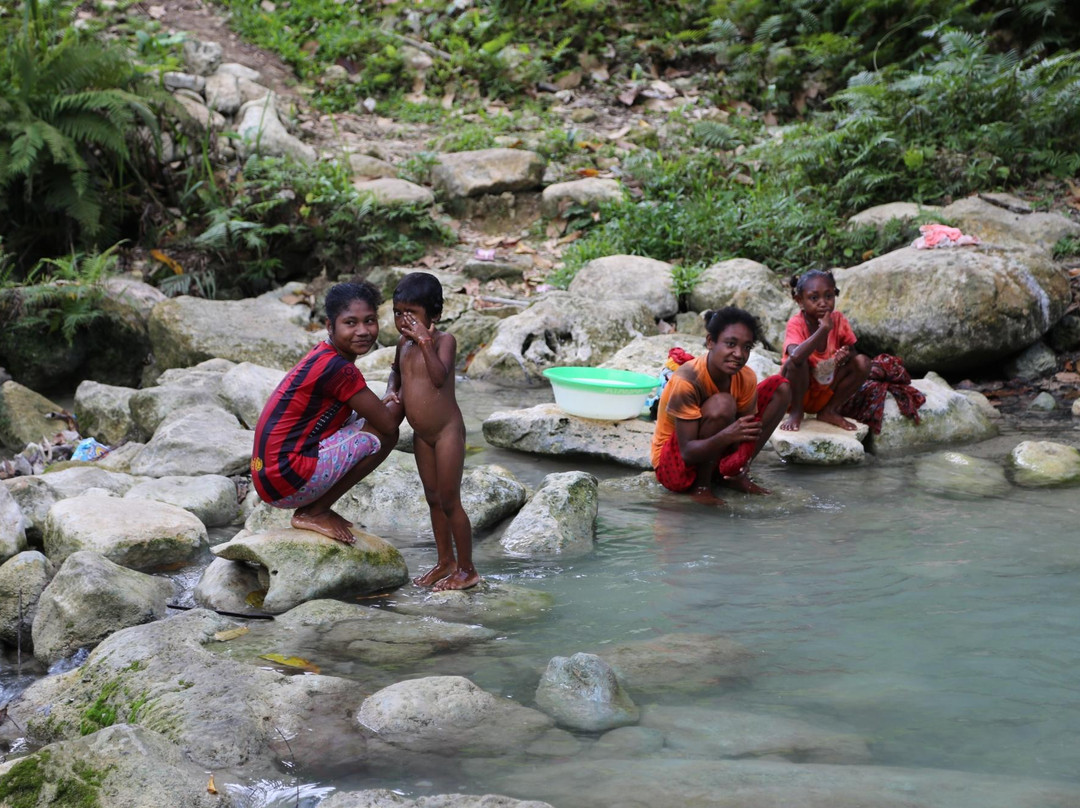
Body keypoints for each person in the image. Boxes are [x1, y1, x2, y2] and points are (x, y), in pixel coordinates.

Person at [251, 281, 403, 544]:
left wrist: (392, 388)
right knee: (385, 434)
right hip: (285, 477)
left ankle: (316, 508)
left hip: (268, 476)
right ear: (330, 326)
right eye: (351, 323)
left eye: (369, 321)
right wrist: (409, 369)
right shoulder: (338, 369)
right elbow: (387, 423)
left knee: (372, 417)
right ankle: (314, 511)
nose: (363, 331)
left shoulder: (324, 355)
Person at [388, 272, 479, 591]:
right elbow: (395, 372)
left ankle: (467, 569)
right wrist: (391, 390)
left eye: (411, 314)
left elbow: (439, 378)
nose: (404, 321)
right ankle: (445, 561)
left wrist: (425, 341)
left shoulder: (444, 341)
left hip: (446, 433)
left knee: (450, 501)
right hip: (422, 436)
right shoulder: (403, 344)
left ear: (435, 315)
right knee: (433, 499)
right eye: (398, 313)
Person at [650, 307, 791, 504]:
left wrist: (737, 462)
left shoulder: (746, 377)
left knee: (780, 388)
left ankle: (733, 476)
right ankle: (702, 487)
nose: (739, 354)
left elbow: (746, 430)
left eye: (746, 347)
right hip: (676, 466)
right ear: (710, 342)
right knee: (723, 403)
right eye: (731, 344)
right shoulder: (687, 380)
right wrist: (728, 435)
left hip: (714, 448)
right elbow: (687, 452)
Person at [779, 269, 871, 432]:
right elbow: (795, 356)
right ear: (800, 301)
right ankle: (796, 413)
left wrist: (844, 356)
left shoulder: (839, 320)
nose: (823, 303)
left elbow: (854, 354)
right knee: (798, 362)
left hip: (825, 389)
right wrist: (824, 329)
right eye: (814, 298)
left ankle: (829, 410)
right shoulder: (796, 323)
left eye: (828, 296)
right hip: (797, 393)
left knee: (863, 362)